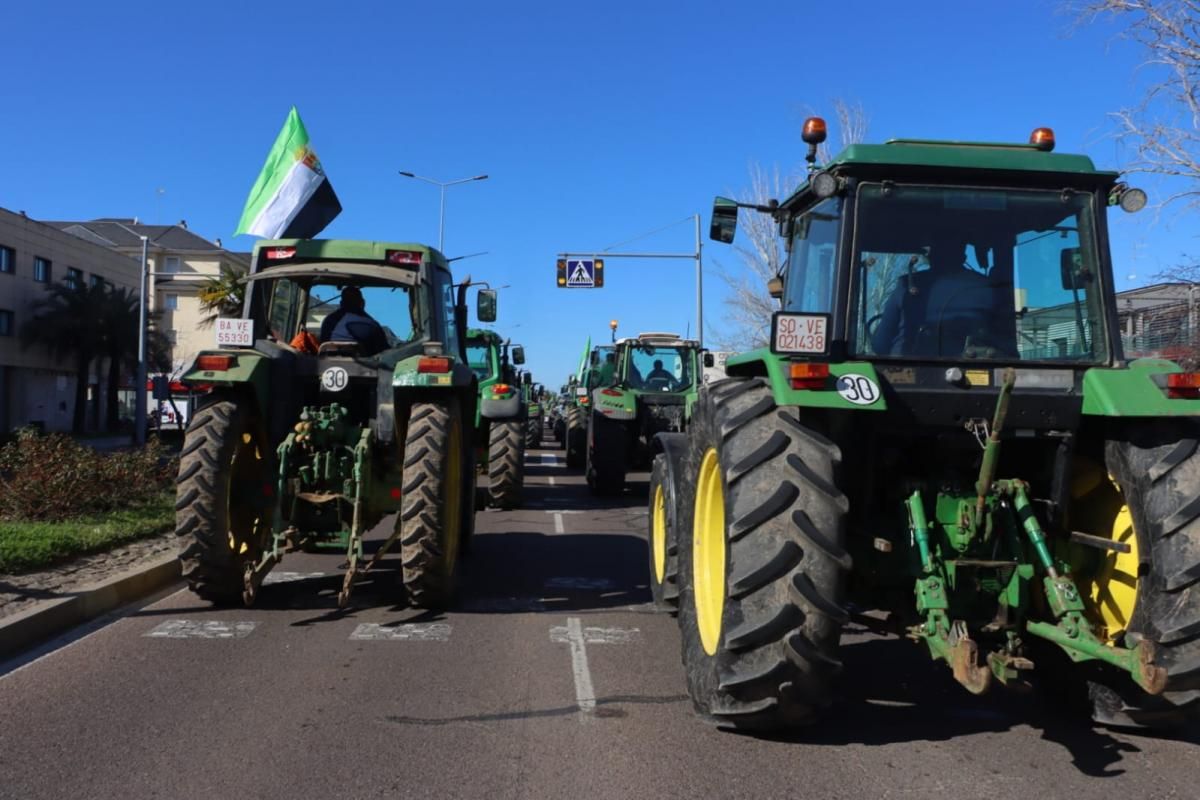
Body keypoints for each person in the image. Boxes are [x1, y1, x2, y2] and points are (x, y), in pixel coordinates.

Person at [869, 242, 1013, 358]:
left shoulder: (907, 285)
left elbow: (880, 345)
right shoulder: (989, 288)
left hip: (905, 377)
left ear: (931, 256)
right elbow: (1005, 347)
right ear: (963, 256)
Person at [319, 286, 388, 356]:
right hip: (361, 366)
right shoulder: (370, 324)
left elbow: (322, 342)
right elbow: (383, 351)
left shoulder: (328, 321)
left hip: (329, 364)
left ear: (341, 303)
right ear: (362, 303)